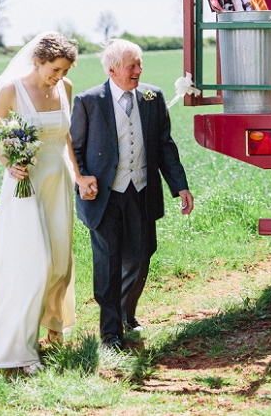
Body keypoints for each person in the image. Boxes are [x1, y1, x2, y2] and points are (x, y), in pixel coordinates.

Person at [0, 32, 88, 375]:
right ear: (38, 61)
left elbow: (65, 137)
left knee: (61, 260)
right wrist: (9, 164)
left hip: (58, 180)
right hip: (26, 184)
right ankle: (20, 343)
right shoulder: (11, 91)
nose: (58, 76)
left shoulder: (65, 89)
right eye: (54, 69)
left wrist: (78, 177)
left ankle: (55, 329)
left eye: (64, 70)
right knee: (35, 262)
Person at [70, 39, 194, 350]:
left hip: (140, 191)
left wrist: (179, 185)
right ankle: (110, 333)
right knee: (108, 264)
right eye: (131, 66)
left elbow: (165, 145)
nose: (138, 70)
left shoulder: (152, 97)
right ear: (112, 70)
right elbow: (75, 148)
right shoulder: (89, 101)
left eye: (139, 64)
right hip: (104, 196)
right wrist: (82, 178)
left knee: (140, 257)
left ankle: (127, 314)